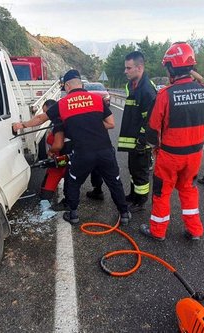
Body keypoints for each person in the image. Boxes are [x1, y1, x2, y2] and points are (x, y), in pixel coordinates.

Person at [13, 69, 131, 225]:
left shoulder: (63, 103)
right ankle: (124, 214)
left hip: (83, 153)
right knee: (115, 182)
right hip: (104, 150)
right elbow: (111, 123)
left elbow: (41, 118)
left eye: (64, 87)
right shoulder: (96, 99)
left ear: (68, 85)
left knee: (73, 182)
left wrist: (22, 125)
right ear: (80, 83)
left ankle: (73, 214)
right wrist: (91, 122)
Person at [139, 42, 204, 241]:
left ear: (171, 67)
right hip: (194, 155)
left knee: (162, 193)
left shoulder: (165, 95)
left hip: (170, 156)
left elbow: (152, 129)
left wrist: (155, 147)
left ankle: (158, 231)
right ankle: (195, 230)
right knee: (189, 190)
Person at [101, 51, 156, 213]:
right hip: (134, 140)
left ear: (139, 68)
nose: (125, 71)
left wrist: (142, 140)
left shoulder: (147, 90)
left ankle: (140, 201)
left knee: (141, 173)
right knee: (133, 170)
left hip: (141, 142)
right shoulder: (134, 86)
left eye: (128, 68)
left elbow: (151, 120)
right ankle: (133, 196)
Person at [39, 99, 71, 210]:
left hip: (65, 160)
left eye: (45, 112)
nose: (45, 115)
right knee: (44, 194)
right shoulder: (55, 122)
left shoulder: (59, 121)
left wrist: (51, 152)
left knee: (70, 181)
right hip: (59, 160)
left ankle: (69, 203)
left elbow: (58, 144)